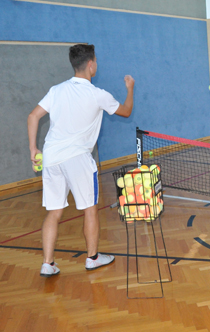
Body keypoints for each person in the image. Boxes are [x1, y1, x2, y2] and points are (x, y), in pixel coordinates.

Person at [27, 44, 135, 277]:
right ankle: (93, 258)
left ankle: (48, 263)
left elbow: (33, 116)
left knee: (54, 211)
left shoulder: (56, 90)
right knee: (89, 209)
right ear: (90, 64)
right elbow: (126, 111)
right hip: (78, 159)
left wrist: (33, 148)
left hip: (52, 157)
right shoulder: (98, 94)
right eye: (96, 60)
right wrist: (130, 89)